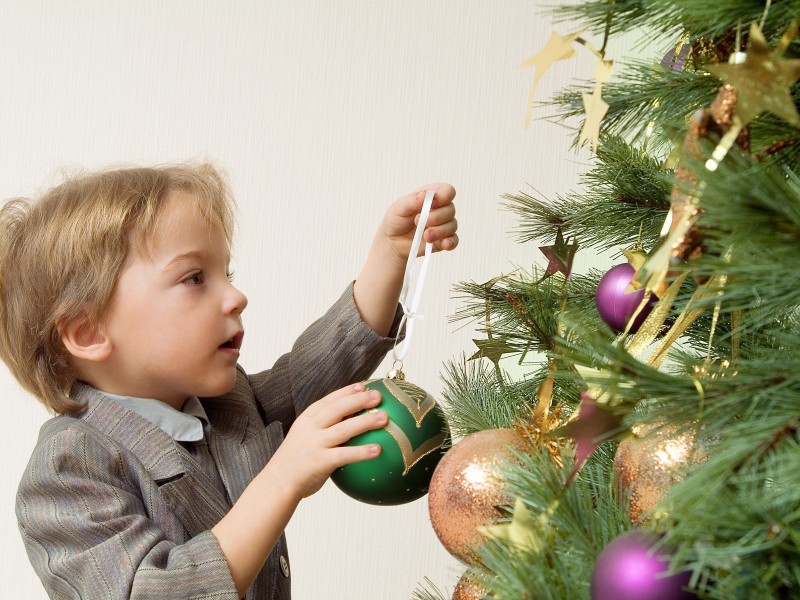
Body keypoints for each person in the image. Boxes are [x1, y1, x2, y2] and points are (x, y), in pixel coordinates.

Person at [0, 163, 458, 599]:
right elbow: (148, 591)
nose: (237, 297)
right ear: (89, 332)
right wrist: (281, 480)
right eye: (195, 277)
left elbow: (317, 372)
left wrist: (390, 254)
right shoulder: (68, 469)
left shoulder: (229, 407)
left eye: (227, 273)